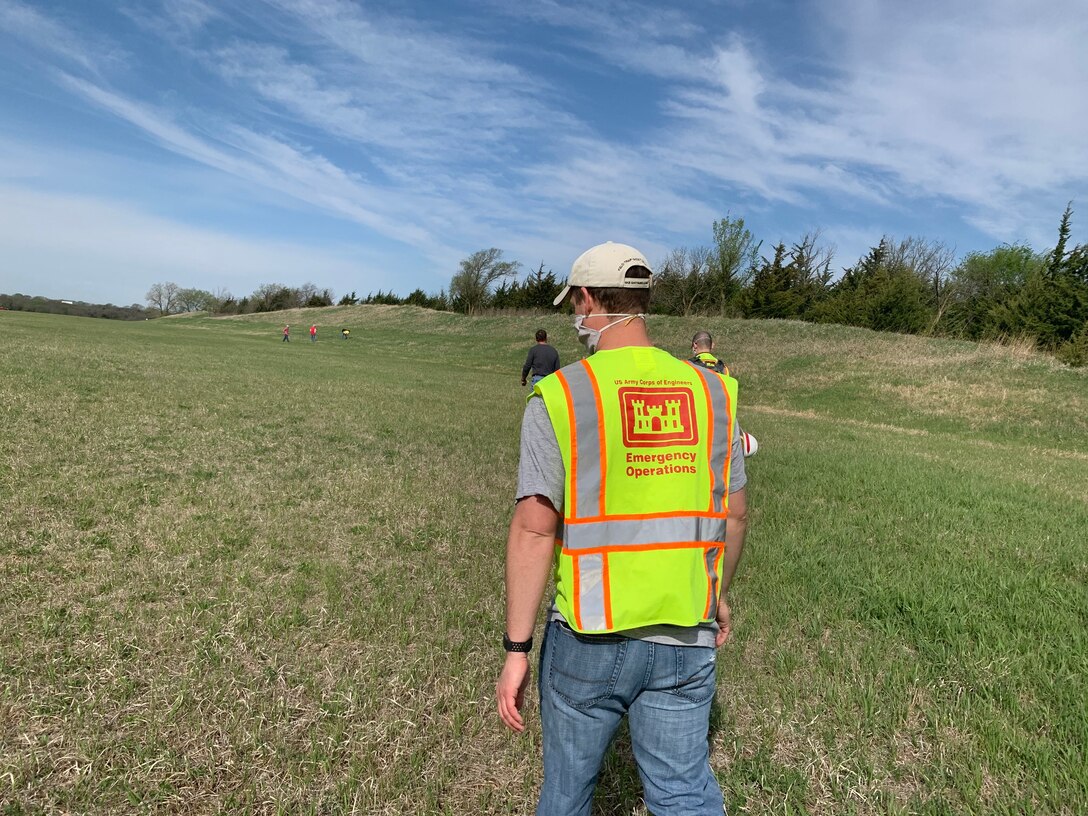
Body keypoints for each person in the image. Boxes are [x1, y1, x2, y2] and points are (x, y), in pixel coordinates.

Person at [496, 241, 749, 815]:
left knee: (566, 794)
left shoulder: (561, 395)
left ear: (587, 301)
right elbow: (734, 515)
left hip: (589, 632)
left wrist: (516, 649)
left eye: (574, 305)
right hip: (687, 629)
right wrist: (719, 594)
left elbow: (535, 531)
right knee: (684, 793)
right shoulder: (714, 394)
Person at [690, 331, 758, 457]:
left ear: (695, 345)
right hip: (720, 420)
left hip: (698, 420)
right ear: (712, 345)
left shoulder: (688, 366)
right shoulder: (723, 368)